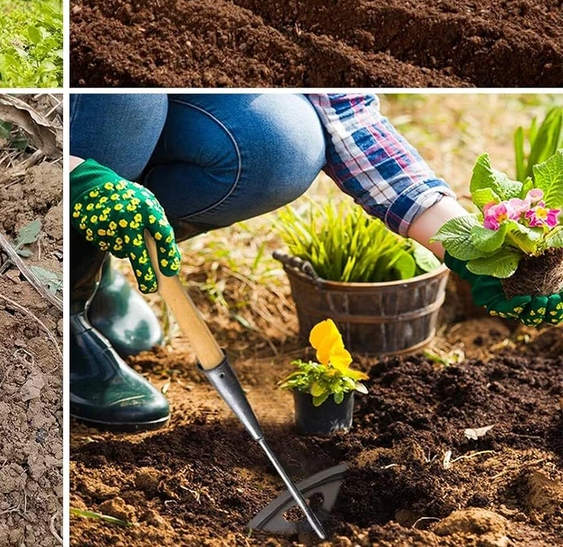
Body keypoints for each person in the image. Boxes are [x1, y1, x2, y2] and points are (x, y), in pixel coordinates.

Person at [69, 93, 562, 431]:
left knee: (280, 144)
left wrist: (465, 243)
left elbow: (346, 114)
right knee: (127, 97)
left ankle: (94, 257)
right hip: (46, 129)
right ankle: (63, 290)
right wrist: (71, 171)